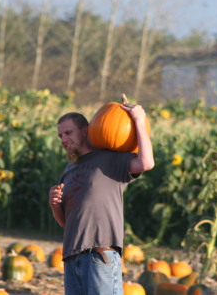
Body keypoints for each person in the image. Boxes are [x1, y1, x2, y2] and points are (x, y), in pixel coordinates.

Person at [48, 103, 154, 295]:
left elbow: (146, 162)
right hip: (72, 258)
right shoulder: (69, 170)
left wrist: (138, 119)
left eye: (68, 133)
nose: (64, 139)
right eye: (60, 136)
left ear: (85, 131)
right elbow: (66, 222)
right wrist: (54, 204)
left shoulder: (110, 159)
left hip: (100, 255)